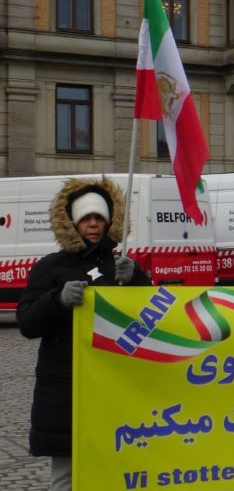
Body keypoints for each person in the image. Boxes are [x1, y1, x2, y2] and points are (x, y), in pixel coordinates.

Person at [17, 177, 150, 491]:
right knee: (66, 475)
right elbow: (27, 323)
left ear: (109, 222)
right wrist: (57, 300)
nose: (93, 224)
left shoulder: (122, 266)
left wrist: (136, 280)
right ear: (73, 223)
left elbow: (149, 317)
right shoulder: (49, 267)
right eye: (86, 218)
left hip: (115, 385)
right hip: (66, 389)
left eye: (98, 218)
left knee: (113, 470)